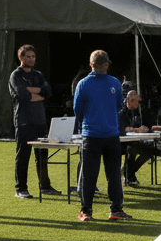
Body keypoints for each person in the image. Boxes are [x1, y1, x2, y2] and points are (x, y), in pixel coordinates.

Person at [73, 50, 132, 222]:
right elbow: (119, 106)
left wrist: (90, 120)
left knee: (90, 175)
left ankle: (86, 211)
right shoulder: (114, 82)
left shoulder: (82, 84)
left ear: (91, 64)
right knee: (112, 174)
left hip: (92, 135)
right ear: (106, 64)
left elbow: (78, 111)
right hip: (109, 134)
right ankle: (115, 209)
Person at [9, 44, 61, 199]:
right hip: (24, 121)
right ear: (21, 57)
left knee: (42, 155)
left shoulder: (38, 74)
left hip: (40, 121)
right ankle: (21, 189)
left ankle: (45, 186)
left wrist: (33, 91)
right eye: (28, 56)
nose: (31, 59)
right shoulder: (15, 75)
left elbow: (48, 91)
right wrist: (35, 92)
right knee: (23, 156)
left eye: (33, 56)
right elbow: (22, 94)